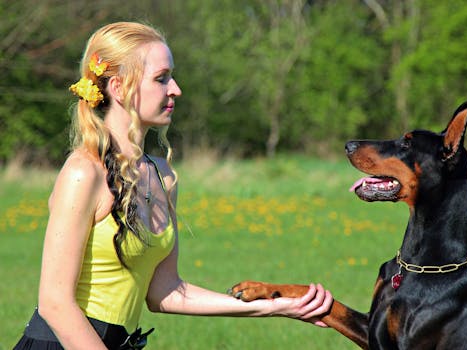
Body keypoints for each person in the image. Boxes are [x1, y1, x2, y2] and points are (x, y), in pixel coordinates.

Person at [14, 22, 333, 349]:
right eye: (161, 78)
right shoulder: (84, 173)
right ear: (119, 87)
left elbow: (164, 290)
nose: (176, 89)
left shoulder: (162, 176)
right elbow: (55, 303)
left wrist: (274, 307)